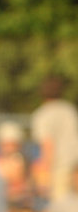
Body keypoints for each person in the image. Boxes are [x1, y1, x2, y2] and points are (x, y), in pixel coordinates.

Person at [31, 75, 78, 203]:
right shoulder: (70, 110)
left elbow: (48, 145)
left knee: (60, 207)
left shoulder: (43, 114)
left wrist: (44, 175)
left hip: (59, 167)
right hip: (75, 166)